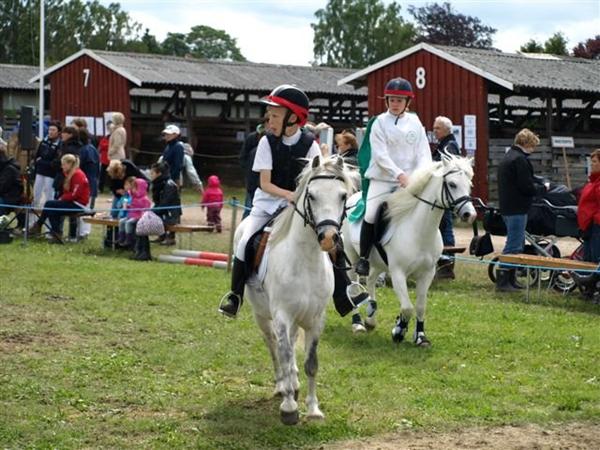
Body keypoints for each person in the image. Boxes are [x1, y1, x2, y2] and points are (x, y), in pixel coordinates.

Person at [218, 84, 322, 318]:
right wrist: (289, 195)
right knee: (244, 242)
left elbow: (317, 181)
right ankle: (235, 296)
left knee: (330, 238)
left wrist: (299, 200)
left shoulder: (311, 146)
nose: (269, 120)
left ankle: (345, 291)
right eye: (269, 115)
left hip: (297, 209)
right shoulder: (265, 142)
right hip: (266, 206)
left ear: (293, 118)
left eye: (274, 115)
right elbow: (264, 184)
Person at [354, 77, 432, 277]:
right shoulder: (379, 122)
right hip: (382, 179)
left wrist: (420, 175)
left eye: (400, 100)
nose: (395, 104)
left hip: (411, 181)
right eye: (392, 100)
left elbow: (423, 151)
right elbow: (380, 156)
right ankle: (364, 258)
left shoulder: (415, 121)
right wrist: (399, 174)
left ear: (408, 103)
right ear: (386, 101)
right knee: (371, 214)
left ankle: (428, 252)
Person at [496, 128, 547, 292]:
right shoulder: (519, 159)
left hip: (507, 207)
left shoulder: (509, 156)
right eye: (533, 146)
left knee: (515, 243)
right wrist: (541, 189)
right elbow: (526, 186)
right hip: (517, 208)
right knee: (514, 245)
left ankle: (511, 279)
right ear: (527, 144)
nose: (533, 150)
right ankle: (504, 281)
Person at [29, 154, 90, 243]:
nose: (62, 167)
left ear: (70, 164)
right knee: (52, 210)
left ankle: (39, 225)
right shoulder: (70, 174)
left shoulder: (78, 174)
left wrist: (62, 198)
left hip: (79, 204)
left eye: (64, 164)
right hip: (73, 202)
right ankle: (56, 234)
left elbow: (75, 194)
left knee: (49, 204)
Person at [106, 159, 148, 248]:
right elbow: (112, 187)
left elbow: (142, 183)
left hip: (132, 197)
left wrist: (132, 191)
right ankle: (115, 239)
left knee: (127, 218)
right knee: (114, 215)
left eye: (119, 175)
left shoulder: (130, 168)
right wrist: (118, 191)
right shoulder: (112, 175)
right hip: (121, 196)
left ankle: (130, 241)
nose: (119, 178)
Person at [239, 115, 268, 218]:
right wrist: (248, 171)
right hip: (252, 178)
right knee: (249, 207)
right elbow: (243, 156)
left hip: (266, 180)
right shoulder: (252, 138)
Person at [32, 120, 61, 214]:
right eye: (49, 130)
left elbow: (55, 162)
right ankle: (32, 222)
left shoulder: (59, 145)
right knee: (36, 195)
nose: (50, 132)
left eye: (53, 130)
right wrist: (40, 162)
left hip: (51, 174)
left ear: (58, 132)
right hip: (40, 172)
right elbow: (37, 156)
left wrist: (42, 162)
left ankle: (49, 222)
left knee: (49, 197)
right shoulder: (44, 141)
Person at [149, 161, 181, 246]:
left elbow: (165, 204)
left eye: (152, 173)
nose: (150, 175)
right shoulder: (157, 184)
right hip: (162, 211)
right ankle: (162, 235)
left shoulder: (169, 185)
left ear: (159, 173)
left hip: (171, 214)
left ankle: (171, 237)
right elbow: (157, 202)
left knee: (151, 216)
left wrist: (151, 212)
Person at [576, 149, 600, 263]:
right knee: (587, 260)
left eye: (595, 162)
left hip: (596, 227)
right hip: (588, 227)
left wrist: (595, 220)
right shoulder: (593, 181)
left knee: (594, 260)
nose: (592, 164)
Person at [117, 177, 151, 250]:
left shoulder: (145, 199)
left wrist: (142, 214)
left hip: (138, 217)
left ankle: (129, 239)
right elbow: (131, 206)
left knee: (128, 223)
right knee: (122, 221)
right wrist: (127, 206)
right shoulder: (133, 197)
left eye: (135, 188)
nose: (133, 189)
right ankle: (121, 238)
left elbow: (146, 210)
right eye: (133, 188)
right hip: (131, 215)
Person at [0, 143, 23, 223]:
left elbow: (2, 187)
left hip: (11, 197)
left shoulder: (9, 169)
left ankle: (2, 226)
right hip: (6, 195)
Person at [97, 121, 112, 193]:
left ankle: (111, 189)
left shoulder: (113, 136)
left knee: (112, 175)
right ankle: (100, 188)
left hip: (111, 159)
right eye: (107, 127)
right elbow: (101, 146)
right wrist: (106, 146)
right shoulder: (106, 137)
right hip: (104, 159)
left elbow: (109, 146)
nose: (108, 128)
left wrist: (105, 146)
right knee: (102, 175)